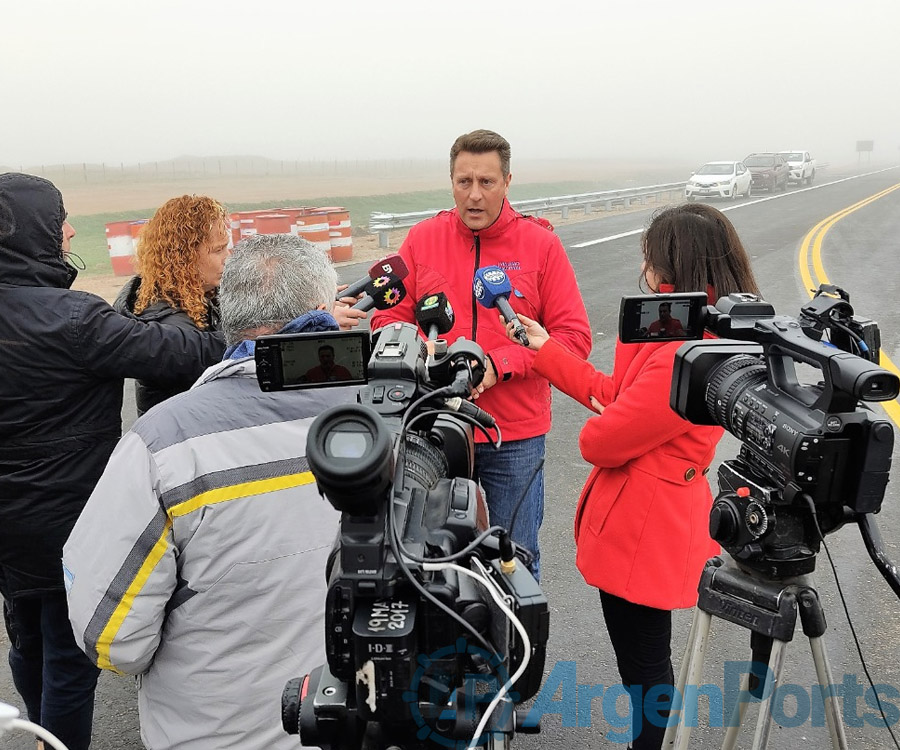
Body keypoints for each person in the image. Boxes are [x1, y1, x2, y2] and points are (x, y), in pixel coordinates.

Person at [63, 234, 356, 750]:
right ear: (323, 311)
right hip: (361, 721)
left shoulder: (163, 443)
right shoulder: (390, 417)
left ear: (229, 314)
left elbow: (112, 637)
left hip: (216, 733)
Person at [504, 202, 760, 750]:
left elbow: (603, 437)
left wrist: (611, 421)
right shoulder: (688, 328)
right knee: (644, 656)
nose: (641, 263)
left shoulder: (686, 352)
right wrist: (544, 348)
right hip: (652, 516)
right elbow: (617, 397)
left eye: (648, 253)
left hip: (646, 526)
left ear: (669, 262)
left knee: (644, 660)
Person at [0, 173, 226, 750]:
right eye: (60, 220)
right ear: (27, 232)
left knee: (26, 641)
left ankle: (36, 728)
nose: (70, 229)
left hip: (8, 527)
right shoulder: (72, 317)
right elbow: (183, 353)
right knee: (71, 657)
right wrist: (169, 299)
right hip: (67, 516)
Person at [370, 129, 591, 578]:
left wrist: (498, 366)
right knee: (426, 561)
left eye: (486, 183)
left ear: (508, 182)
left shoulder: (541, 245)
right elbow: (386, 320)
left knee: (514, 563)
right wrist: (425, 351)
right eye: (463, 182)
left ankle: (518, 648)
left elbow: (573, 339)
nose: (473, 195)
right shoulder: (422, 239)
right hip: (430, 429)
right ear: (450, 181)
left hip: (512, 437)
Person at [113, 195, 230, 415]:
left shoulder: (200, 297)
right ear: (184, 258)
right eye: (218, 250)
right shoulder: (170, 326)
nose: (227, 256)